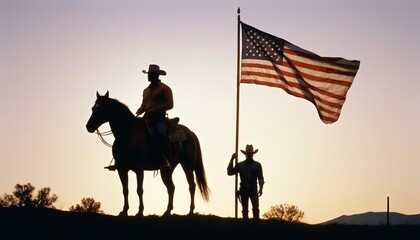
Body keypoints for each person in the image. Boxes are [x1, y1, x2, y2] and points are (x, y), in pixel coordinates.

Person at [136, 64, 173, 170]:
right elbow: (144, 105)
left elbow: (170, 104)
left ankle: (165, 160)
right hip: (147, 117)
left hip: (159, 118)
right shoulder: (145, 90)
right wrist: (139, 111)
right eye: (148, 74)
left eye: (151, 74)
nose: (148, 76)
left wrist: (155, 109)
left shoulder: (164, 88)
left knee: (161, 135)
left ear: (156, 75)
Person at [227, 144, 265, 219]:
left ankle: (256, 225)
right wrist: (232, 159)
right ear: (245, 154)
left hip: (253, 189)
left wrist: (261, 188)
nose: (249, 155)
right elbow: (230, 172)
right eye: (248, 154)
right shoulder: (240, 165)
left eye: (250, 154)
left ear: (253, 154)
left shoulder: (257, 165)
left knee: (255, 209)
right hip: (244, 189)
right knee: (244, 209)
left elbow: (260, 178)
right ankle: (245, 225)